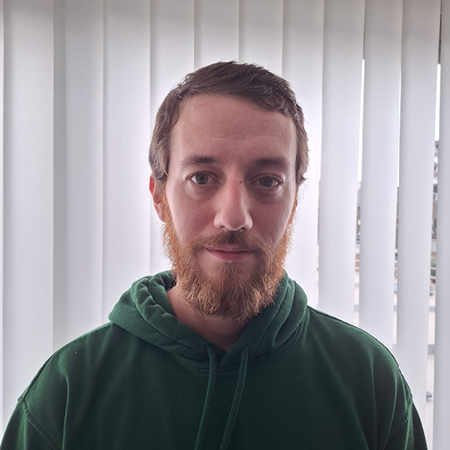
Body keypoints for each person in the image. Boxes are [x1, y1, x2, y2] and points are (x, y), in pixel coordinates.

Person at [1, 61, 427, 450]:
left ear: (295, 201)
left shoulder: (369, 380)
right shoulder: (67, 392)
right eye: (202, 178)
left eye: (267, 181)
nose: (234, 217)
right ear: (159, 197)